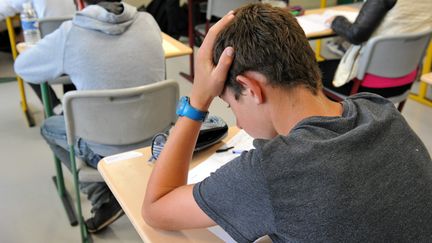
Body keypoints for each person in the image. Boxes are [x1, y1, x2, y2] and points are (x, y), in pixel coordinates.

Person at [142, 3, 432, 242]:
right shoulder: (382, 112)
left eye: (232, 105)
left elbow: (156, 207)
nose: (239, 123)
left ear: (252, 89)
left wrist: (197, 102)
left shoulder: (273, 171)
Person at [14, 0, 165, 233]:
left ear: (80, 3)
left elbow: (23, 67)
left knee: (48, 127)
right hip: (156, 140)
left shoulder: (70, 33)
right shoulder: (149, 22)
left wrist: (68, 63)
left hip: (104, 147)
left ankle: (102, 197)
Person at [320, 0, 432, 98]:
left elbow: (355, 34)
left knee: (309, 71)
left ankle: (338, 118)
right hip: (405, 82)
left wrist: (336, 20)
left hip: (365, 84)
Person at [1, 0, 77, 113]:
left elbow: (4, 9)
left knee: (24, 60)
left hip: (50, 57)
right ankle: (73, 104)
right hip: (78, 55)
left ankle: (55, 107)